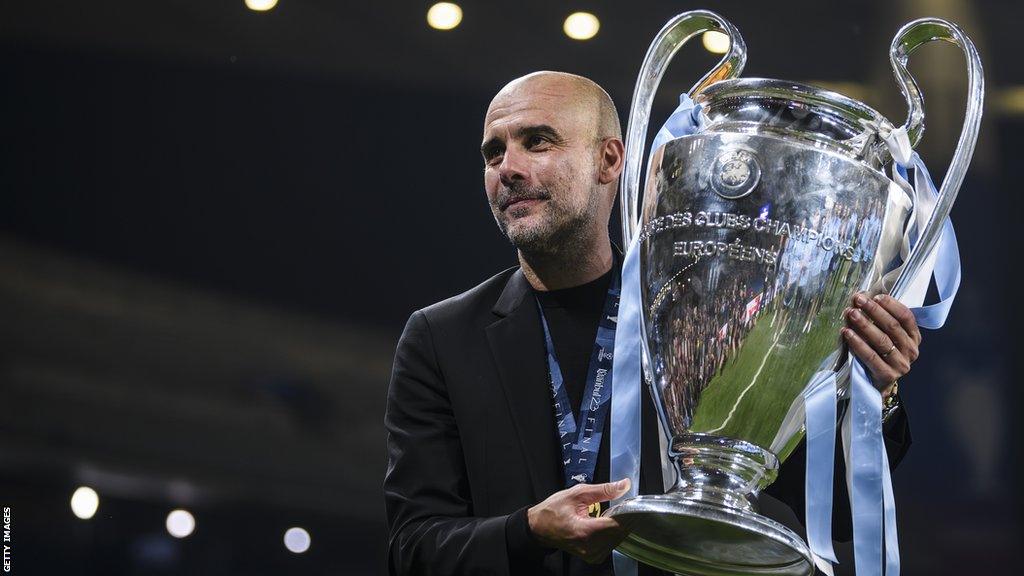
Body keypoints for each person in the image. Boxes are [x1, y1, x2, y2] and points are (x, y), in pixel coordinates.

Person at [383, 71, 919, 576]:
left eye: (538, 142)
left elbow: (836, 513)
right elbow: (413, 549)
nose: (509, 167)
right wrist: (528, 531)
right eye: (493, 152)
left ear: (609, 159)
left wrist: (879, 390)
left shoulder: (706, 310)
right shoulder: (441, 337)